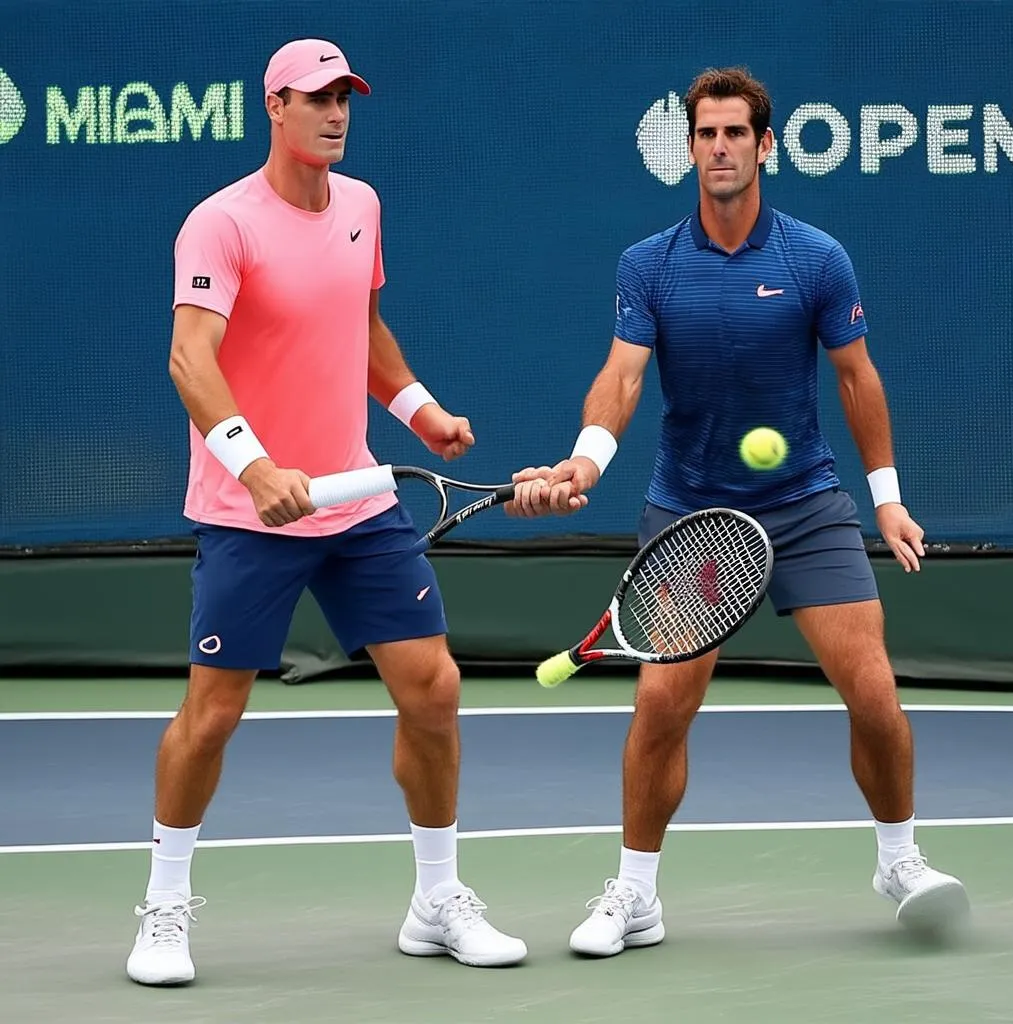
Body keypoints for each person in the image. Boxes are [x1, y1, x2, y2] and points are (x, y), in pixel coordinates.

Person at [510, 66, 969, 956]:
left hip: (803, 506)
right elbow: (623, 376)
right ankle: (636, 894)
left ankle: (900, 858)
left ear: (765, 146)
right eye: (704, 134)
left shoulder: (816, 259)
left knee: (874, 694)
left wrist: (887, 500)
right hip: (691, 515)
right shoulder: (649, 265)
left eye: (734, 134)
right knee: (661, 710)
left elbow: (855, 377)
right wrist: (587, 458)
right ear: (688, 148)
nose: (719, 148)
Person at [126, 38, 527, 986]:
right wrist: (254, 464)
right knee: (213, 715)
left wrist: (421, 412)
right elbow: (191, 360)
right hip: (247, 510)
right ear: (275, 108)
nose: (335, 112)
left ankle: (435, 900)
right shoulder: (220, 224)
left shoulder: (362, 206)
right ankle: (164, 908)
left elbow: (365, 328)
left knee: (432, 689)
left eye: (345, 96)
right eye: (315, 98)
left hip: (355, 498)